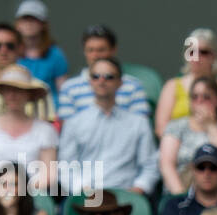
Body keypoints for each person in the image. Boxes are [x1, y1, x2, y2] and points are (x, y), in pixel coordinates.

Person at [57, 56, 159, 196]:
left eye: (109, 77)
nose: (102, 81)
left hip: (128, 196)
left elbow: (150, 164)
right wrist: (83, 190)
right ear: (89, 81)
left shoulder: (139, 123)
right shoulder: (73, 123)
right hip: (85, 197)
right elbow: (66, 166)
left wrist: (138, 189)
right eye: (96, 76)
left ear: (120, 82)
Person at [0, 65, 57, 193]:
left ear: (28, 94)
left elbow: (49, 174)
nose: (12, 95)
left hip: (32, 196)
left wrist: (22, 195)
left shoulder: (45, 130)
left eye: (18, 90)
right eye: (7, 89)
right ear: (2, 93)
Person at [159, 78, 217, 197]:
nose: (199, 101)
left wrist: (211, 126)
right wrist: (181, 198)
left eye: (206, 97)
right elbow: (166, 165)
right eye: (195, 97)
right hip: (181, 190)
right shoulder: (176, 126)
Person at [154, 29, 217, 138]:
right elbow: (161, 129)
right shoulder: (171, 86)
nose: (196, 57)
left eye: (203, 52)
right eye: (191, 51)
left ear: (214, 55)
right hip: (179, 149)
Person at [56, 25, 149, 121]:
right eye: (90, 50)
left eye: (101, 50)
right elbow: (68, 129)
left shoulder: (133, 86)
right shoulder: (69, 88)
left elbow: (140, 126)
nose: (95, 55)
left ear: (113, 50)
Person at [12, 0, 67, 98]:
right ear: (17, 24)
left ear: (43, 24)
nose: (28, 23)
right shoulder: (10, 52)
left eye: (34, 19)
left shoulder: (55, 55)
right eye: (24, 19)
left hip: (49, 111)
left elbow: (63, 91)